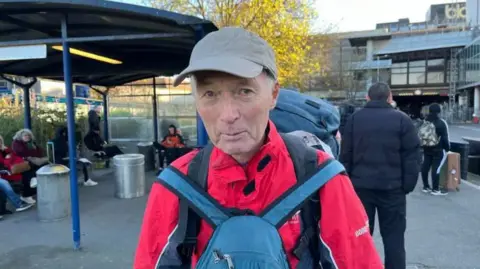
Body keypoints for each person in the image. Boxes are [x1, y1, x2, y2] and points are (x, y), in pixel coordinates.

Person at [134, 27, 382, 269]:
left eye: (244, 91)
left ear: (274, 94)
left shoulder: (321, 179)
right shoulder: (175, 186)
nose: (228, 115)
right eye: (210, 93)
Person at [340, 82, 421, 269]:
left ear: (367, 97)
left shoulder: (354, 119)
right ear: (390, 97)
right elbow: (412, 155)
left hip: (360, 188)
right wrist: (407, 185)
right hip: (393, 189)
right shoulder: (402, 120)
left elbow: (346, 154)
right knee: (394, 239)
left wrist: (347, 183)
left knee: (360, 236)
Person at [420, 103, 450, 195]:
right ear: (439, 111)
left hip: (426, 147)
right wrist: (447, 148)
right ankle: (435, 189)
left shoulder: (424, 121)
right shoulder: (441, 122)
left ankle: (426, 187)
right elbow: (445, 137)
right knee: (436, 168)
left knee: (425, 165)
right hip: (438, 149)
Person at [11, 129, 47, 204]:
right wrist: (31, 153)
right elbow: (22, 152)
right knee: (28, 175)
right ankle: (26, 195)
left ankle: (30, 192)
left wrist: (32, 152)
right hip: (21, 164)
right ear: (20, 136)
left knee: (43, 167)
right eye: (25, 135)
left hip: (31, 162)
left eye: (29, 136)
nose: (27, 137)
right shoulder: (16, 143)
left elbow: (39, 152)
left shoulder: (31, 143)